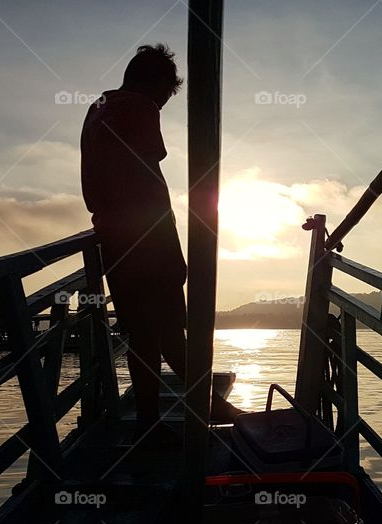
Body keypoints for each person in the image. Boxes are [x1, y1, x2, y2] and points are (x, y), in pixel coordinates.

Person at [80, 43, 241, 443]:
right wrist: (172, 252)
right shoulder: (139, 106)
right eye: (166, 94)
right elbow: (152, 164)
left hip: (112, 234)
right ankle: (198, 409)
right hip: (147, 237)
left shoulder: (98, 106)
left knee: (145, 333)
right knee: (168, 329)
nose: (165, 104)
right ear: (153, 83)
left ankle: (157, 419)